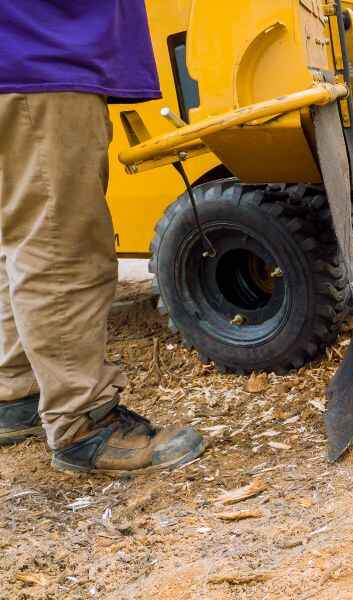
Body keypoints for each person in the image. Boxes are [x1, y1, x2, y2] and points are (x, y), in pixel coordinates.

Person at [0, 2, 205, 472]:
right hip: (40, 52)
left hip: (18, 56)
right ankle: (83, 424)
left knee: (21, 237)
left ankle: (16, 392)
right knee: (60, 248)